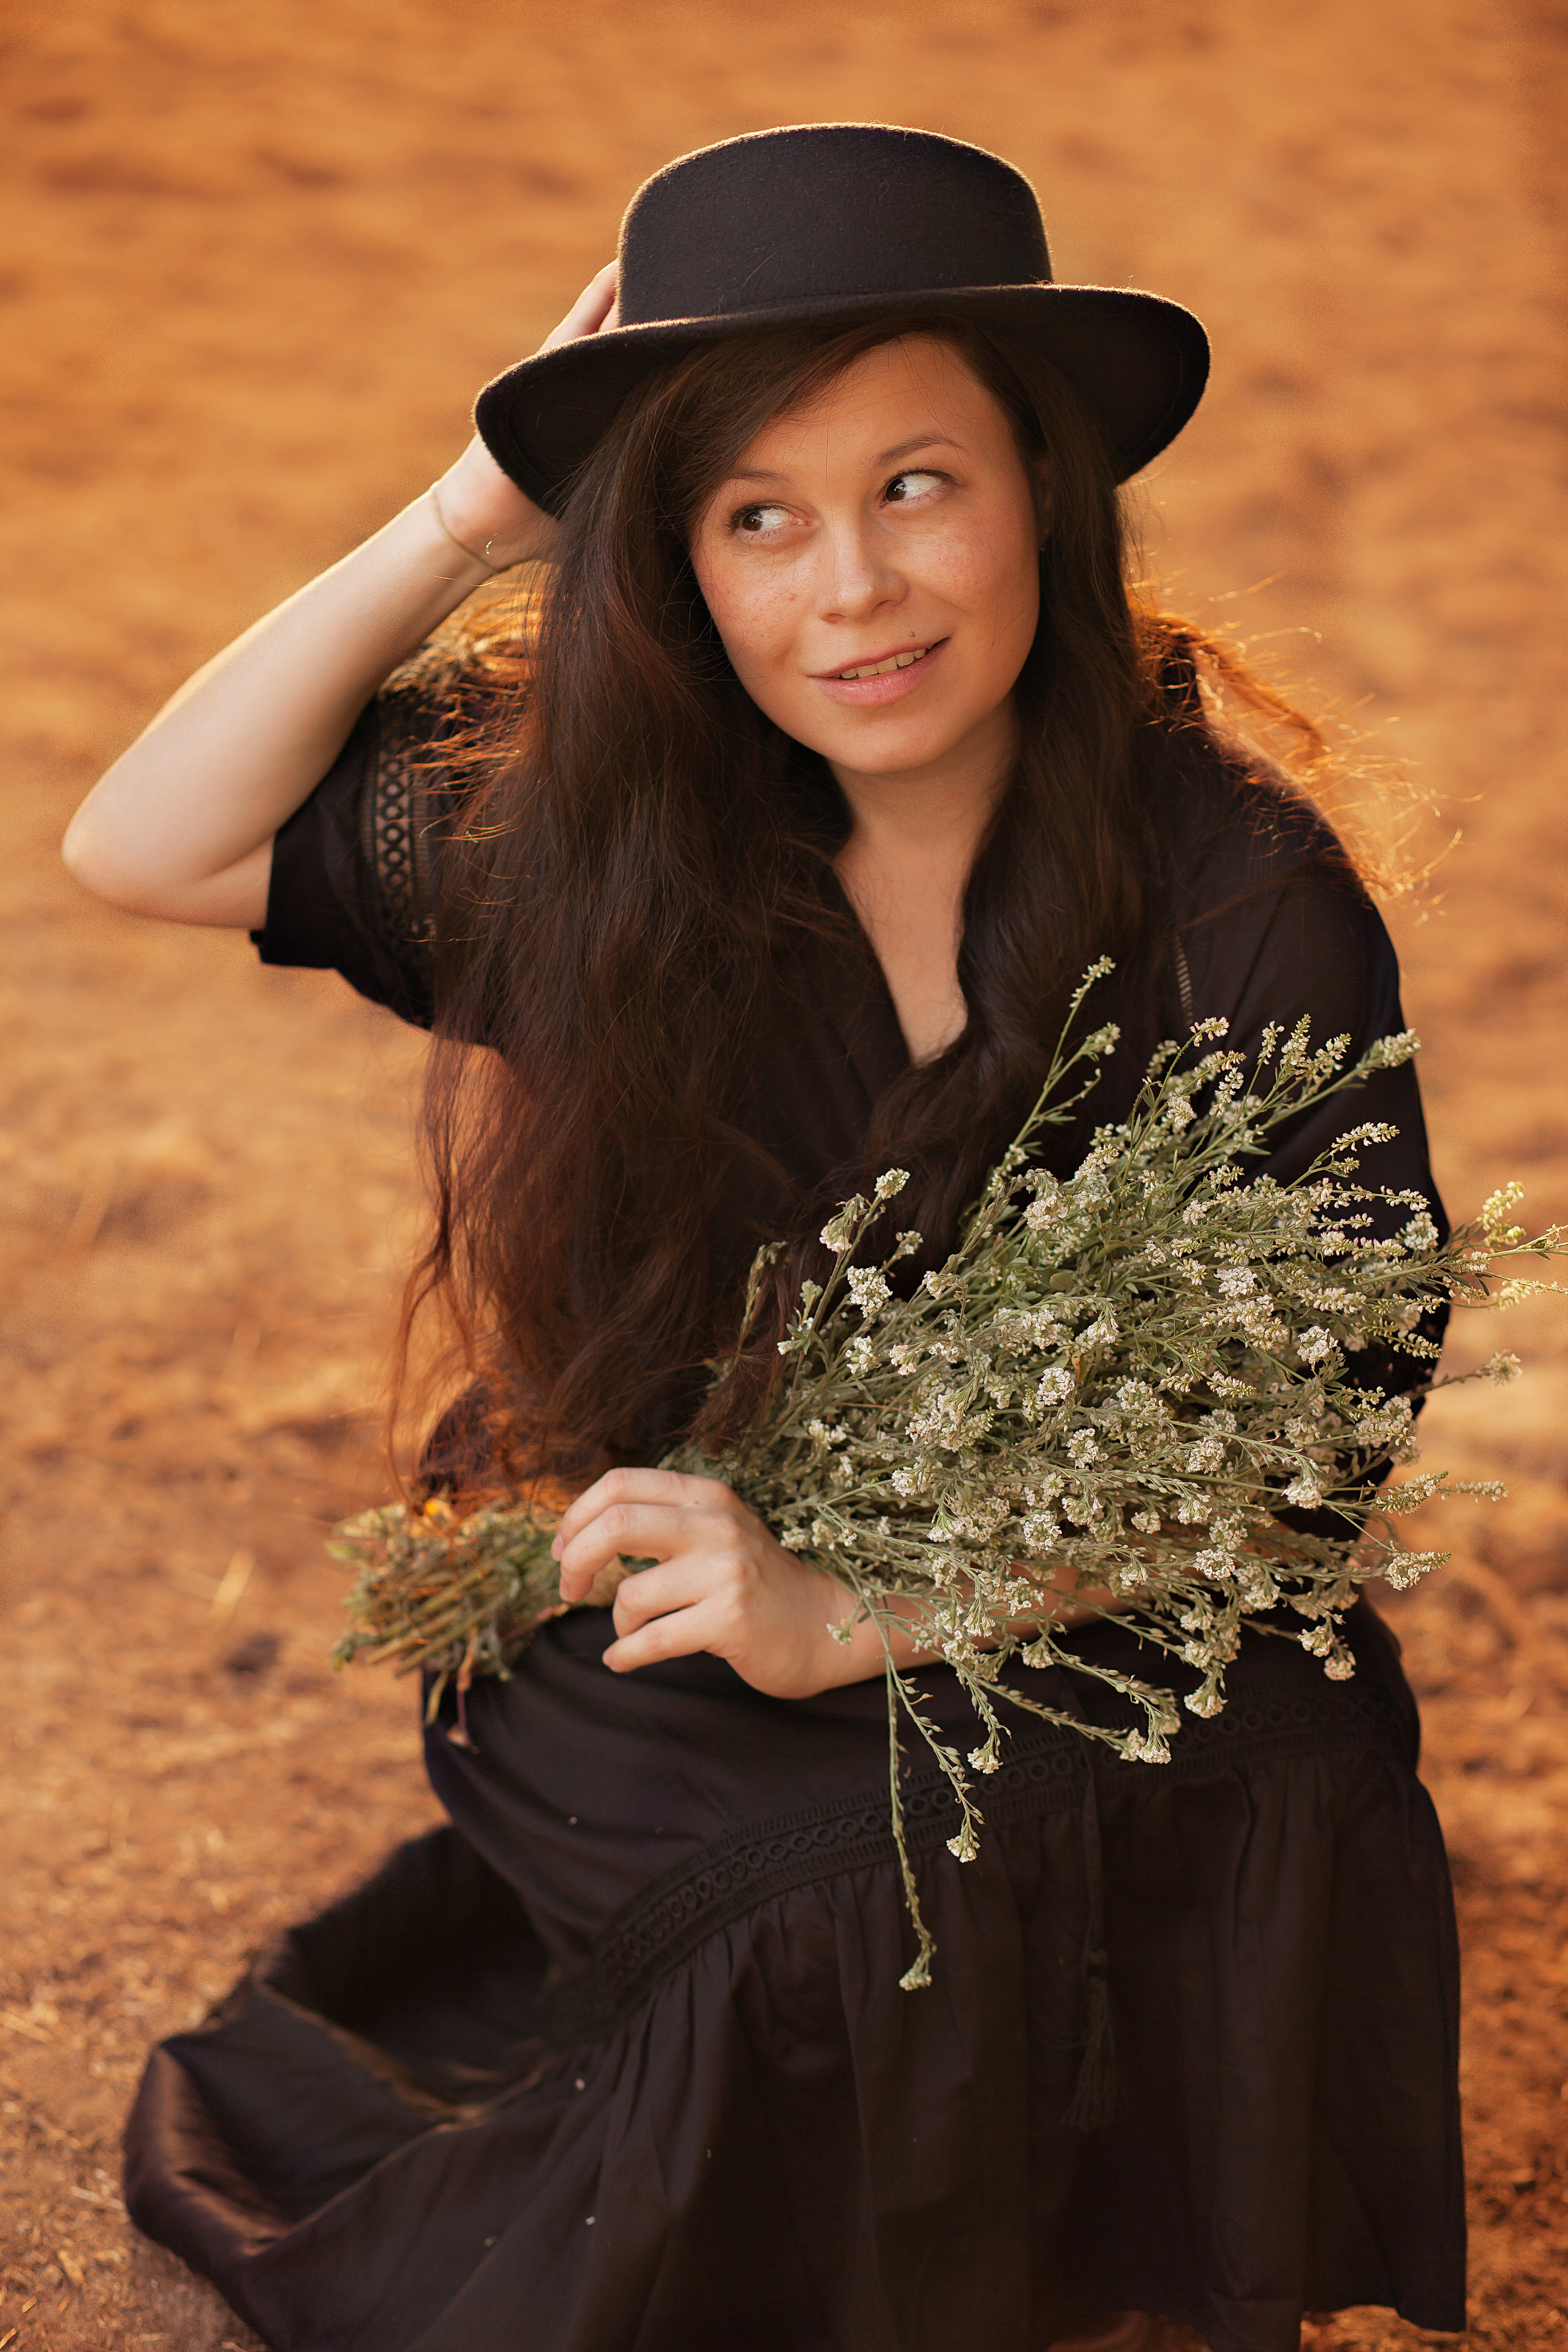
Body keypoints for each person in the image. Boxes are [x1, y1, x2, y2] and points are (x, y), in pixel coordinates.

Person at [66, 125, 1464, 2352]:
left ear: (1046, 495)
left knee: (1243, 1770)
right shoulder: (605, 848)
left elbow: (1305, 1446)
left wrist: (882, 1609)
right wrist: (482, 503)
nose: (856, 593)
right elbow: (143, 839)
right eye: (757, 518)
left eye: (920, 485)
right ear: (682, 566)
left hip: (1119, 1582)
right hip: (681, 1548)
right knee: (828, 1893)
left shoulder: (1242, 892)